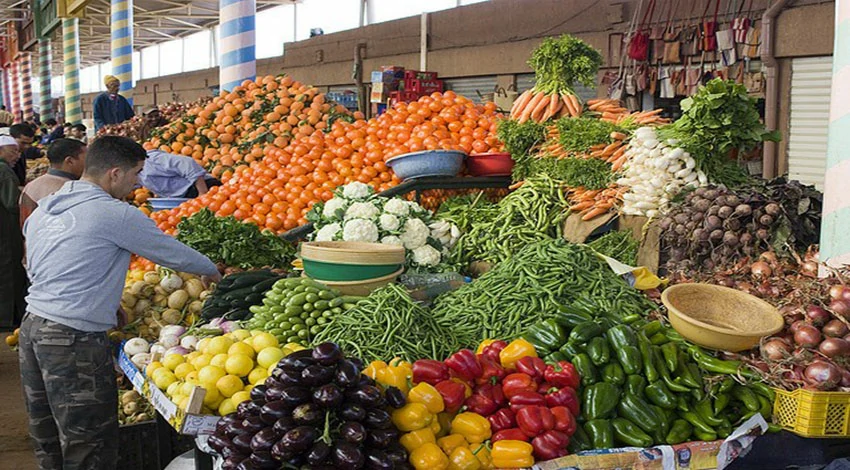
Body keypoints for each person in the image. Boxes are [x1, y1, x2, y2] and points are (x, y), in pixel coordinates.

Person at [20, 135, 220, 469]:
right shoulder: (115, 213)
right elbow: (171, 252)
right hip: (72, 339)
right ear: (115, 173)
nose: (137, 182)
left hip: (33, 326)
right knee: (89, 444)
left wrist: (100, 298)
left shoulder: (48, 207)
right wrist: (211, 270)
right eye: (136, 173)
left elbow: (43, 265)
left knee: (49, 435)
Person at [19, 138, 87, 224]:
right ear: (70, 161)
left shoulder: (31, 185)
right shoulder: (70, 189)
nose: (89, 163)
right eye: (86, 158)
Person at [0, 135, 26, 329]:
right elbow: (12, 204)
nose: (18, 155)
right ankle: (8, 320)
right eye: (13, 150)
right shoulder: (4, 171)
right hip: (6, 230)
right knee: (8, 271)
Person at [141, 148, 221, 198]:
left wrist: (202, 193)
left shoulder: (152, 159)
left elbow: (187, 163)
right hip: (182, 198)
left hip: (200, 187)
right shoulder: (134, 172)